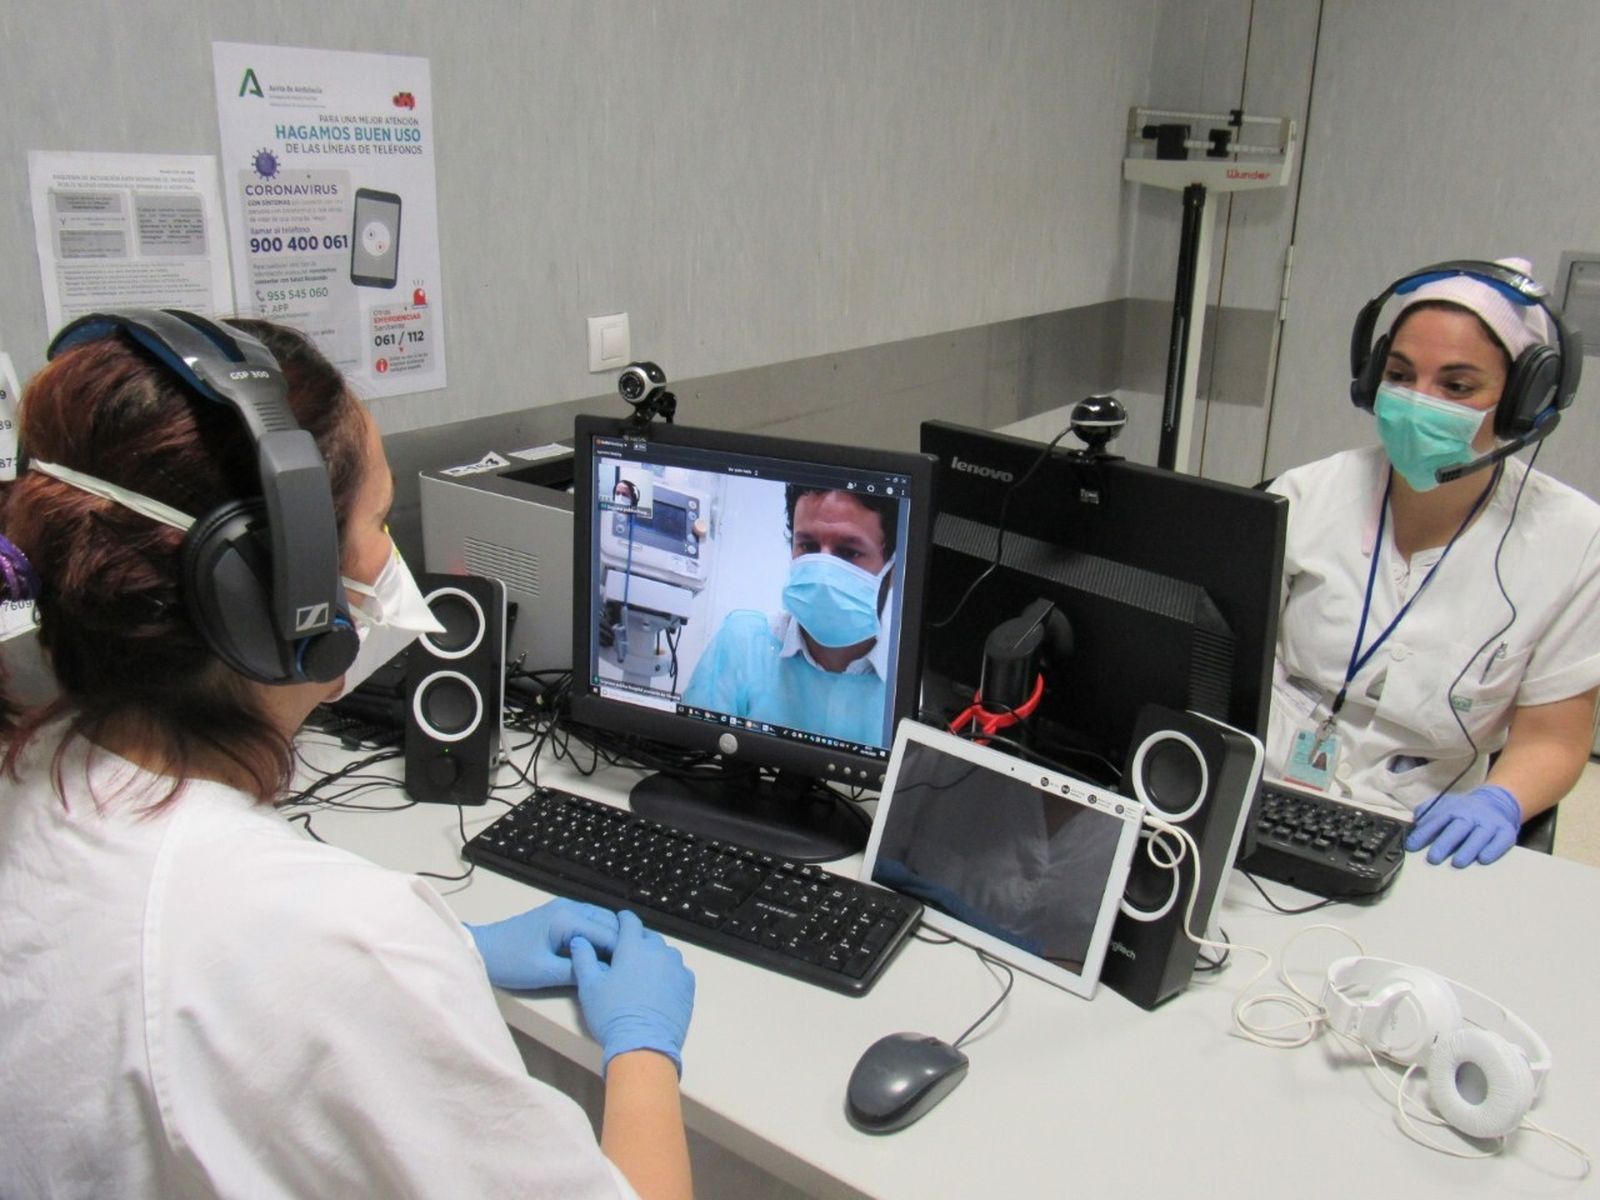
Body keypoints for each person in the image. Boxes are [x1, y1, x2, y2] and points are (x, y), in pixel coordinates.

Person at [0, 313, 695, 1199]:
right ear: (267, 594)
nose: (392, 559)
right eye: (376, 520)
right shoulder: (336, 940)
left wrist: (454, 948)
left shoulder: (35, 773)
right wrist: (641, 1050)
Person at [1267, 258, 1600, 869]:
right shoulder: (1305, 494)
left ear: (1523, 402)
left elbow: (1553, 738)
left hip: (1423, 823)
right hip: (1266, 791)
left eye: (1457, 386)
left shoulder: (1575, 542)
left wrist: (1501, 800)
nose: (1418, 402)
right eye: (1399, 374)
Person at [681, 483, 898, 746]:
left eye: (848, 552)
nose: (823, 570)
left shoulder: (901, 685)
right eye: (807, 546)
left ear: (893, 568)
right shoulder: (743, 643)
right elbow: (693, 760)